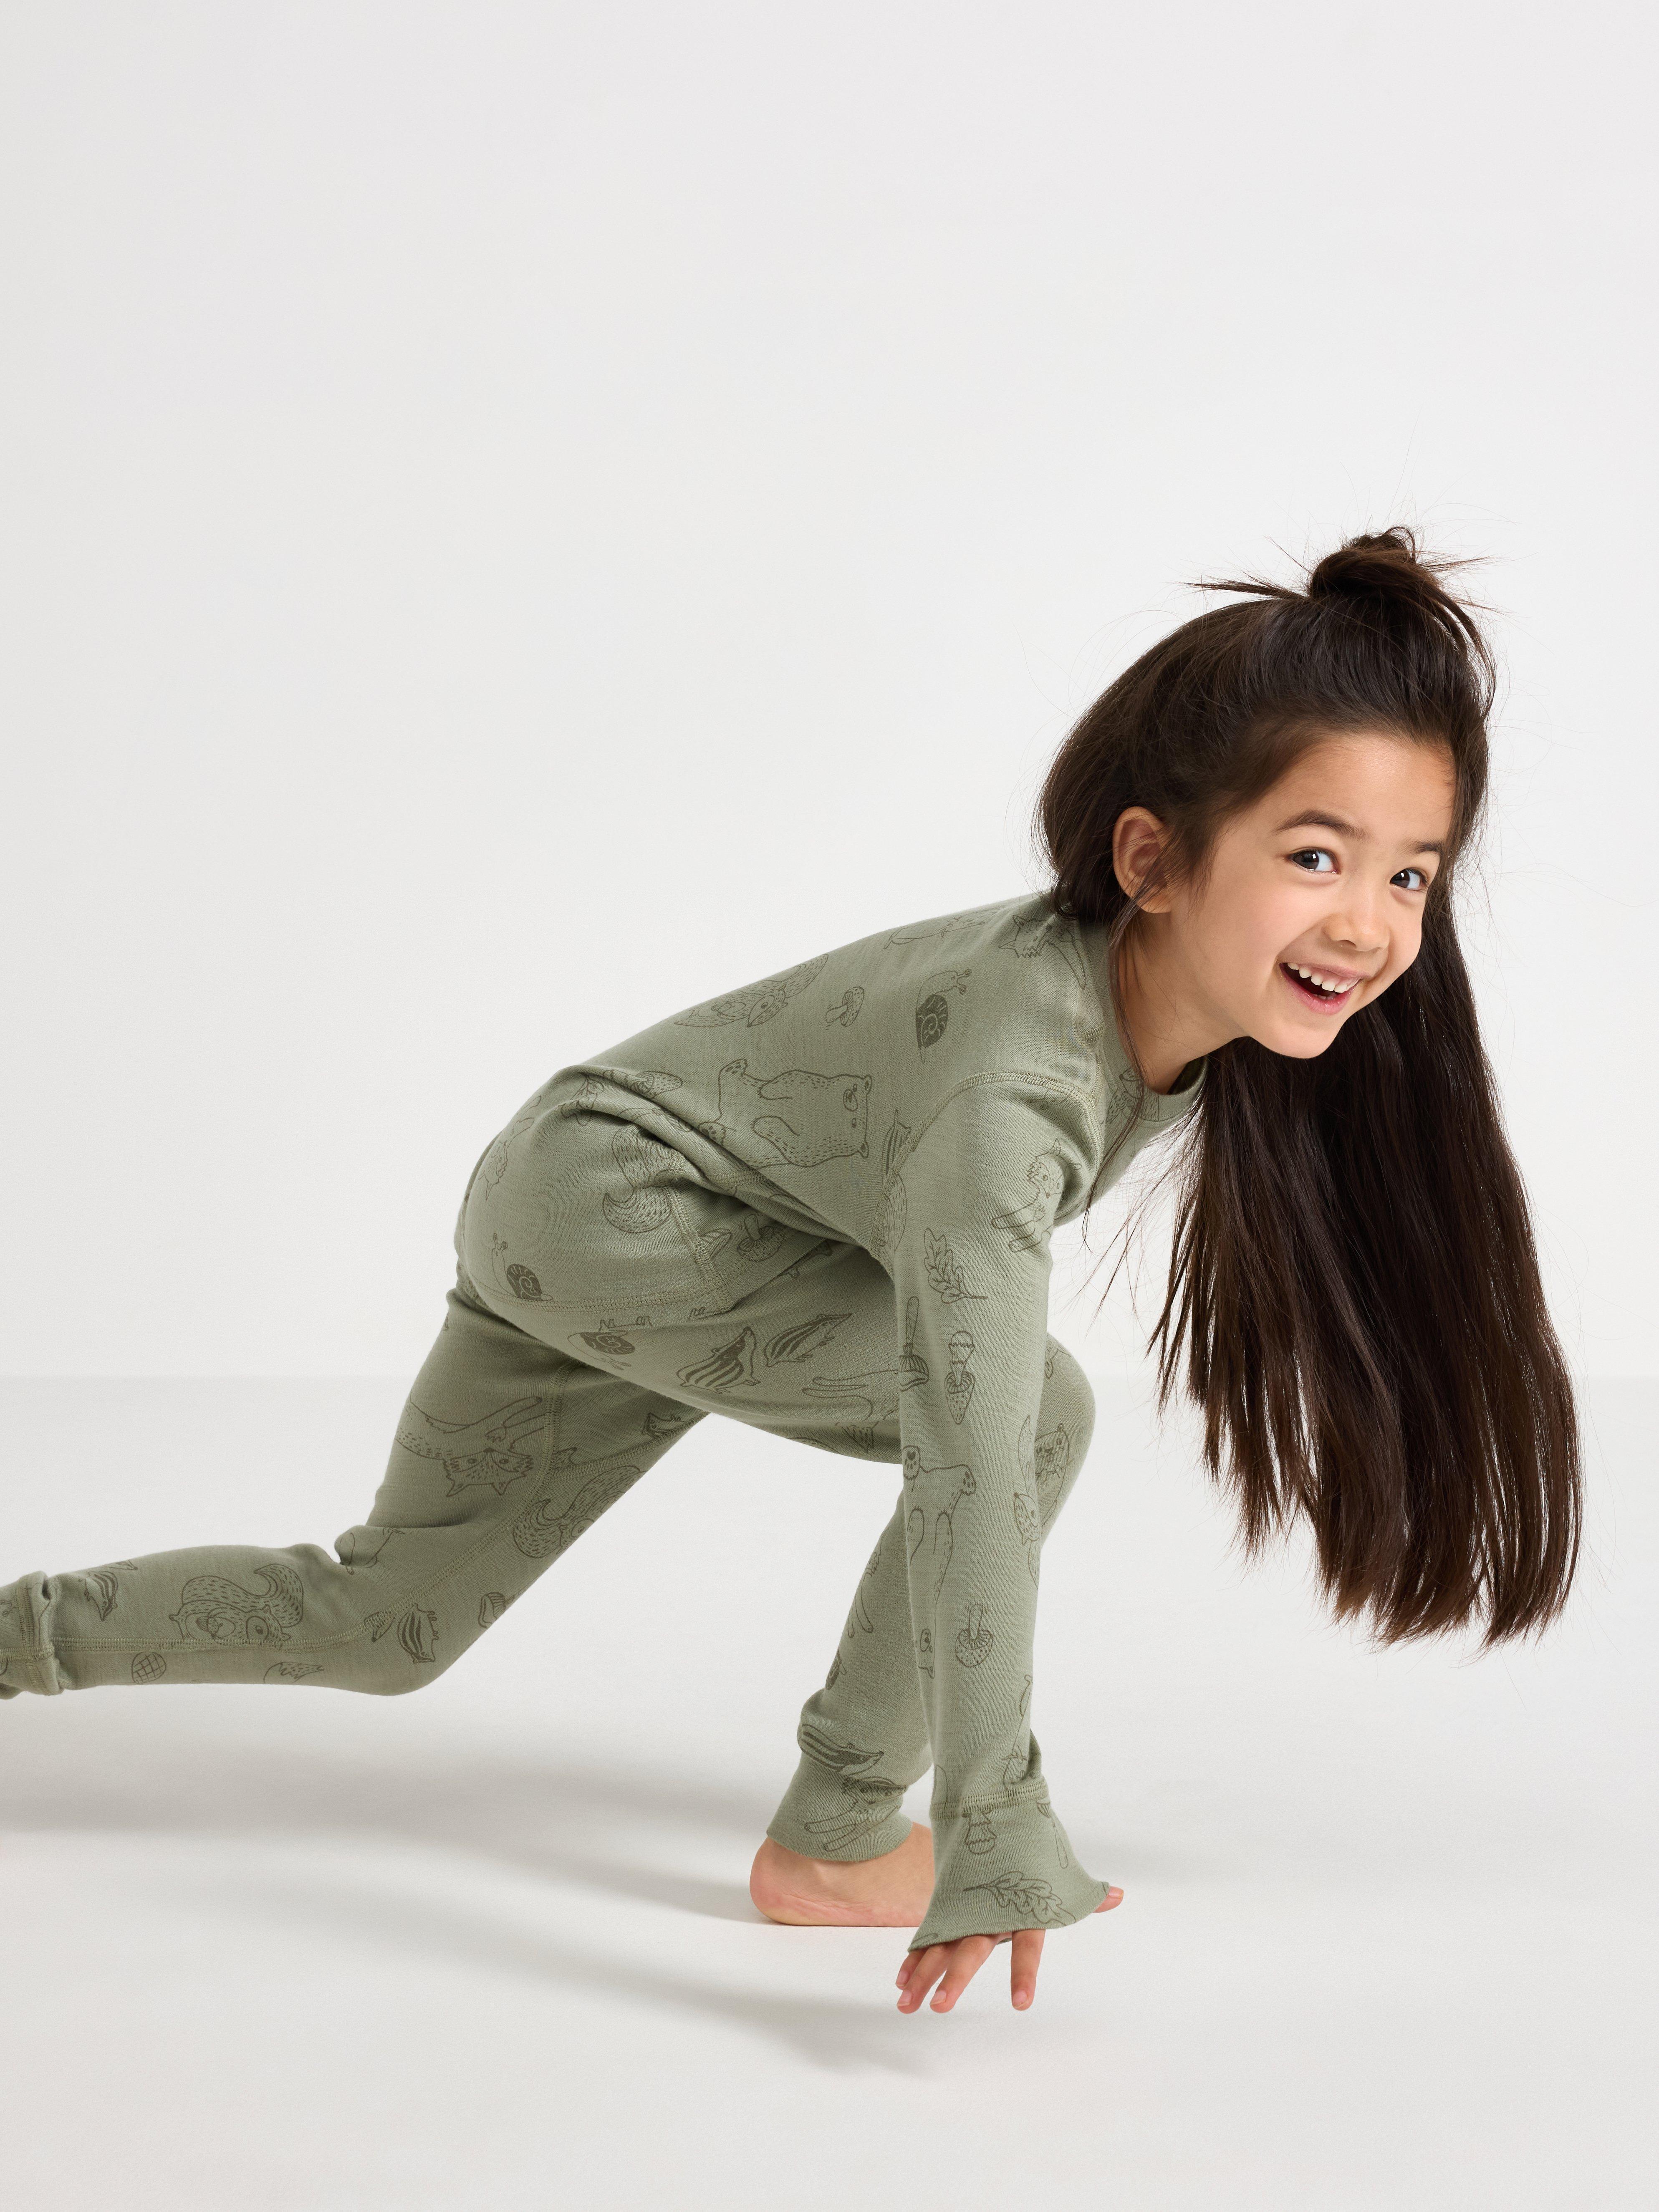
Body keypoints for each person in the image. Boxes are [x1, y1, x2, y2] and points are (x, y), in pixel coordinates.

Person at [0, 527, 1581, 2019]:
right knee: (1031, 1411)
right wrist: (993, 1809)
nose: (1369, 925)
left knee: (389, 1621)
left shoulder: (1181, 1020)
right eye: (1318, 854)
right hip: (616, 1209)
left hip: (589, 1201)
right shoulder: (1018, 1086)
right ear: (1154, 860)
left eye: (1410, 876)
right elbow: (971, 1448)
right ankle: (835, 1838)